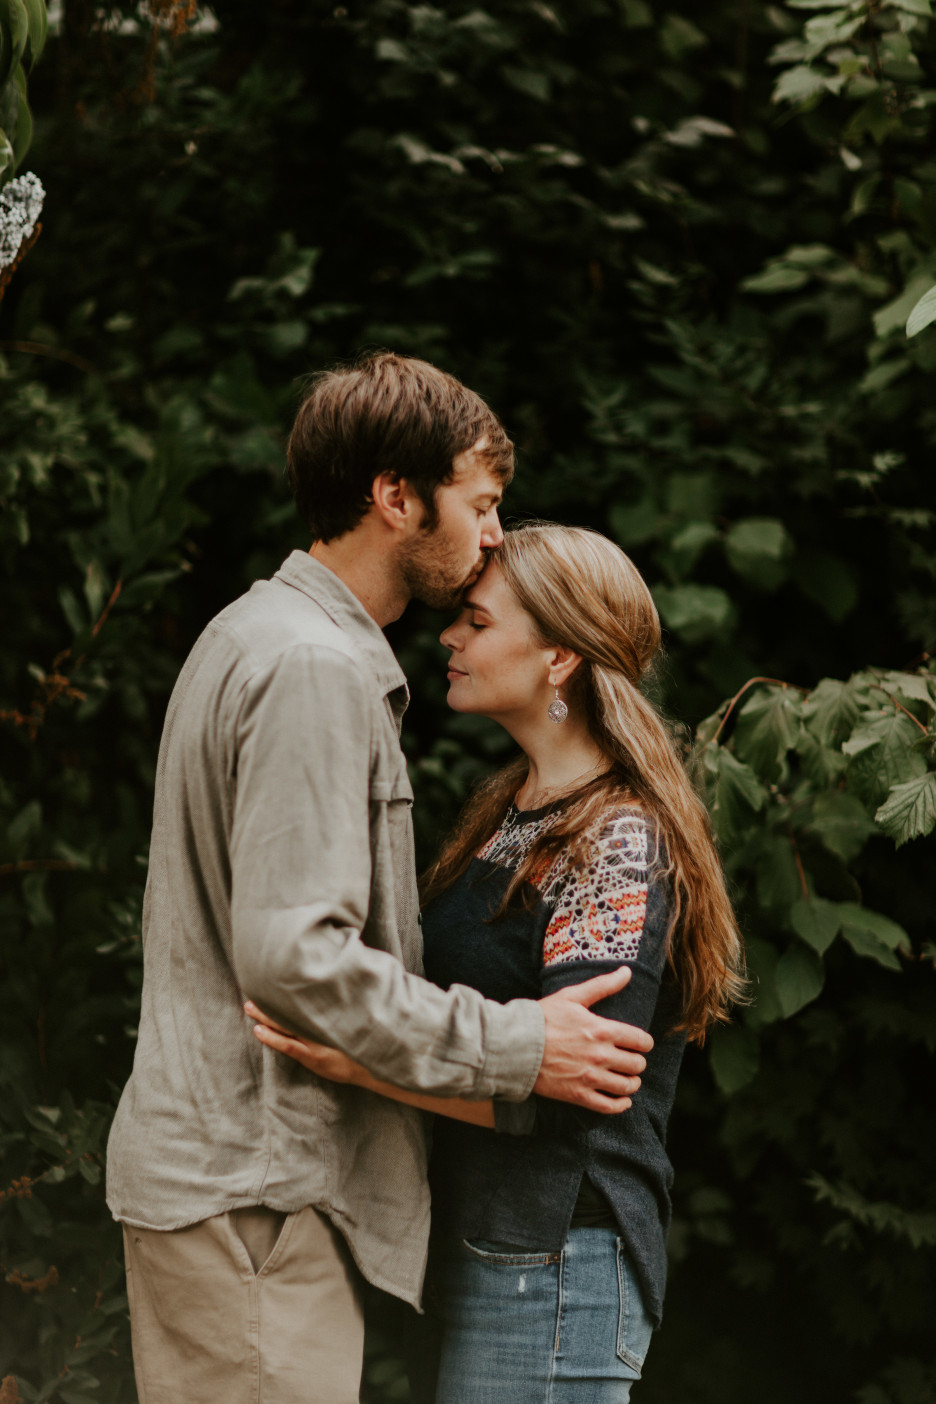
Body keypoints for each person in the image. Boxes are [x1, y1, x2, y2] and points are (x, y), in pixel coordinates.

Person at [105, 355, 656, 1404]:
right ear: (396, 497)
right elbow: (293, 959)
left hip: (234, 1195)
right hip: (253, 1198)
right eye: (482, 503)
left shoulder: (254, 631)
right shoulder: (313, 667)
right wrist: (523, 1045)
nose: (496, 534)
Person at [248, 522, 746, 1403]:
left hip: (554, 1259)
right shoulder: (510, 814)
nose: (449, 635)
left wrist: (361, 1065)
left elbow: (573, 1095)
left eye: (477, 622)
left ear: (558, 658)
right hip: (493, 1251)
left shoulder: (616, 839)